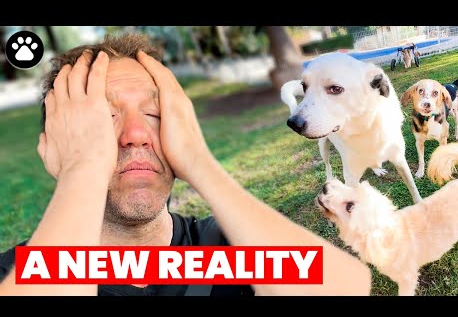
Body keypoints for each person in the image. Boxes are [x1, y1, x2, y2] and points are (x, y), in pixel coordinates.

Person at [0, 34, 371, 296]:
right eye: (103, 117)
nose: (135, 133)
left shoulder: (233, 246)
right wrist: (82, 170)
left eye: (155, 113)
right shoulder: (11, 276)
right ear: (54, 145)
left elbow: (344, 287)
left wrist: (198, 161)